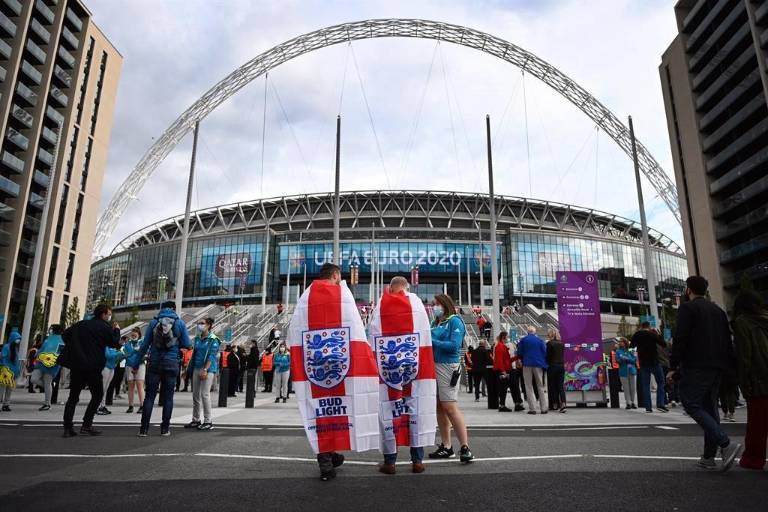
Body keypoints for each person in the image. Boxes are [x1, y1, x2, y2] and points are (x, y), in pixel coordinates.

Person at [287, 263, 380, 481]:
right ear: (336, 275)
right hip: (343, 365)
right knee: (341, 410)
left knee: (320, 411)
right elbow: (357, 332)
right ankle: (327, 464)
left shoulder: (305, 297)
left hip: (314, 366)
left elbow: (294, 332)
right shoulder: (343, 296)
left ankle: (330, 456)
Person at [670, 276, 742, 472]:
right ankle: (709, 457)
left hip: (696, 365)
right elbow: (727, 339)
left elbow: (681, 337)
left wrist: (673, 365)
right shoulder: (717, 310)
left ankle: (725, 444)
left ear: (688, 290)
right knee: (710, 408)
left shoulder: (688, 309)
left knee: (691, 403)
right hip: (717, 366)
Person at [368, 276, 436, 475]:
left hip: (388, 370)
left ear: (390, 288)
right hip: (415, 368)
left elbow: (372, 334)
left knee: (389, 411)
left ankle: (390, 463)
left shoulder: (381, 305)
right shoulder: (416, 304)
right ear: (407, 287)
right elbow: (425, 334)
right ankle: (417, 461)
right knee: (417, 410)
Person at [133, 301, 192, 437]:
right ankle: (165, 429)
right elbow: (188, 344)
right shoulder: (180, 323)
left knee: (149, 396)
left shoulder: (153, 323)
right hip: (171, 363)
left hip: (155, 362)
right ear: (174, 309)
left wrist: (136, 364)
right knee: (168, 397)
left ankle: (144, 429)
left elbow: (144, 345)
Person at [60, 304, 121, 436]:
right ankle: (86, 425)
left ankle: (67, 427)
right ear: (103, 314)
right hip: (93, 366)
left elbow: (65, 335)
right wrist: (116, 330)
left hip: (77, 365)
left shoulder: (81, 324)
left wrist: (77, 345)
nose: (109, 317)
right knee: (97, 395)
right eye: (109, 314)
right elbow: (115, 343)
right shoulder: (105, 327)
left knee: (73, 397)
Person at [428, 293, 473, 463]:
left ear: (445, 304)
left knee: (450, 407)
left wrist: (432, 340)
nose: (434, 307)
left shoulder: (455, 321)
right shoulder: (435, 322)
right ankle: (446, 446)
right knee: (440, 407)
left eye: (436, 303)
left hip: (448, 366)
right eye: (433, 304)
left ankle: (465, 447)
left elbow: (454, 345)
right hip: (435, 365)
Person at [731, 290, 768, 470]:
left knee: (757, 423)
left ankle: (753, 459)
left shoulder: (742, 323)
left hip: (760, 379)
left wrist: (744, 383)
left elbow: (745, 356)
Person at [185, 317, 220, 431]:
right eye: (199, 323)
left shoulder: (213, 339)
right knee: (195, 395)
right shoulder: (197, 338)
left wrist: (205, 369)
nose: (199, 325)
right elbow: (194, 354)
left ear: (209, 325)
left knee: (205, 394)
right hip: (196, 368)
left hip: (208, 369)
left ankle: (208, 421)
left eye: (202, 323)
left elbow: (211, 355)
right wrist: (188, 369)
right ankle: (196, 419)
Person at [631, 322, 668, 413]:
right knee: (661, 382)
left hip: (643, 363)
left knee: (646, 385)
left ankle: (648, 407)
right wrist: (660, 336)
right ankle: (660, 404)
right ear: (649, 327)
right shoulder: (652, 334)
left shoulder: (637, 334)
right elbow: (663, 344)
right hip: (654, 362)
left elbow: (631, 346)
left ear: (641, 327)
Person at [31, 325, 66, 411]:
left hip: (52, 364)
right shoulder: (48, 339)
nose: (50, 331)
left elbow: (61, 352)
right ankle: (49, 387)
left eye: (51, 329)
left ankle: (47, 404)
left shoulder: (62, 341)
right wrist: (37, 355)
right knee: (33, 379)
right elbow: (42, 350)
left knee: (47, 382)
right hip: (41, 362)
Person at [517, 326, 549, 415]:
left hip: (527, 364)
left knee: (528, 386)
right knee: (540, 386)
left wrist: (520, 359)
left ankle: (533, 409)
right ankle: (543, 408)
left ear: (528, 332)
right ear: (535, 332)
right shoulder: (540, 340)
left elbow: (519, 352)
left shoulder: (523, 340)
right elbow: (544, 352)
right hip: (538, 364)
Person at [97, 340, 125, 415]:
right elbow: (108, 356)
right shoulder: (105, 346)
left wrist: (121, 356)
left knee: (106, 388)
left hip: (112, 368)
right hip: (105, 368)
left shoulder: (114, 348)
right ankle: (98, 407)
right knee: (102, 388)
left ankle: (102, 406)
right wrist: (118, 353)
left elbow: (117, 358)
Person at [123, 327, 146, 414]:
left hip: (140, 365)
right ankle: (130, 406)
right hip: (130, 366)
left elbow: (145, 352)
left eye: (135, 333)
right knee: (131, 386)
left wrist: (138, 351)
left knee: (140, 385)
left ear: (139, 334)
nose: (133, 335)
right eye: (132, 333)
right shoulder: (128, 343)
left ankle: (142, 405)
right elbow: (126, 354)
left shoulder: (142, 342)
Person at [0, 328, 22, 411]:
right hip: (5, 372)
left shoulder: (15, 348)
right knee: (1, 389)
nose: (18, 341)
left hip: (13, 372)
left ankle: (6, 404)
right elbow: (3, 358)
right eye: (17, 339)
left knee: (9, 389)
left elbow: (16, 361)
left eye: (19, 339)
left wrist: (18, 371)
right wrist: (5, 368)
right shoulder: (6, 347)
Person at [546, 328, 566, 413]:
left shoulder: (549, 344)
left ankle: (555, 404)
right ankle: (563, 404)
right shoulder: (561, 344)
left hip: (552, 366)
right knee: (560, 386)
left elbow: (547, 356)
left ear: (550, 335)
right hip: (561, 366)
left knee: (553, 386)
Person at [493, 331, 514, 412]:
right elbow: (499, 360)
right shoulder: (500, 346)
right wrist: (503, 371)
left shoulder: (501, 346)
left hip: (503, 369)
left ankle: (502, 405)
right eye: (507, 337)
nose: (507, 339)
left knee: (504, 389)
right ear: (503, 337)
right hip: (502, 370)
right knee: (503, 388)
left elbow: (506, 360)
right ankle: (502, 405)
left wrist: (517, 357)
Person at [615, 337, 638, 409]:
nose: (620, 343)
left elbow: (634, 360)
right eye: (619, 342)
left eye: (621, 341)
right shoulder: (618, 351)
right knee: (626, 388)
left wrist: (627, 358)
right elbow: (617, 360)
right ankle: (628, 403)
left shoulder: (630, 350)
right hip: (623, 372)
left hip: (632, 371)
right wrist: (622, 359)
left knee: (633, 388)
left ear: (625, 342)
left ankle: (633, 402)